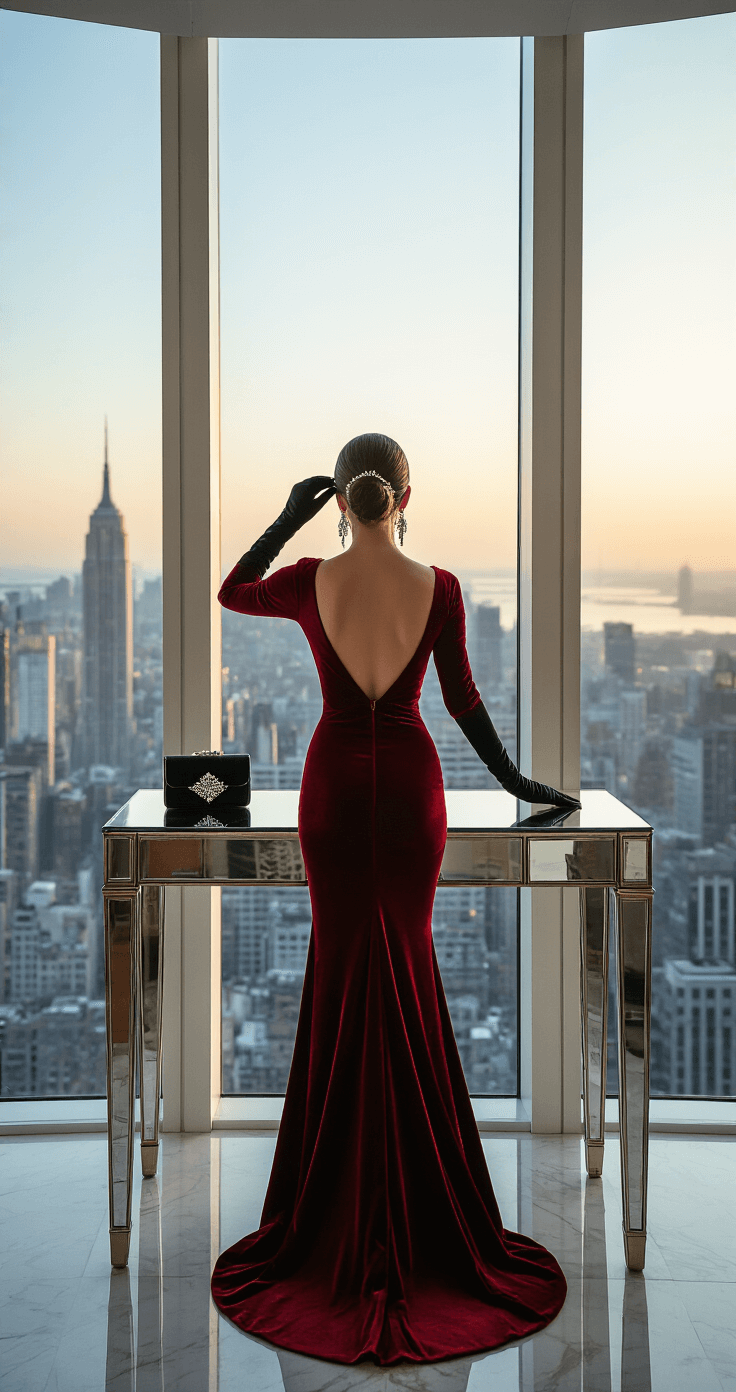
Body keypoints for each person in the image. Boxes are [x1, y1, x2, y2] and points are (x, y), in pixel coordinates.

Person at [210, 433, 578, 1365]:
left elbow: (232, 590)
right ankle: (427, 1210)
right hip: (413, 792)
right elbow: (463, 703)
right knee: (407, 971)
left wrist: (289, 517)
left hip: (333, 788)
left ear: (339, 497)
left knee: (341, 975)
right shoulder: (441, 588)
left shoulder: (308, 581)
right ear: (408, 495)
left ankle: (326, 1210)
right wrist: (522, 786)